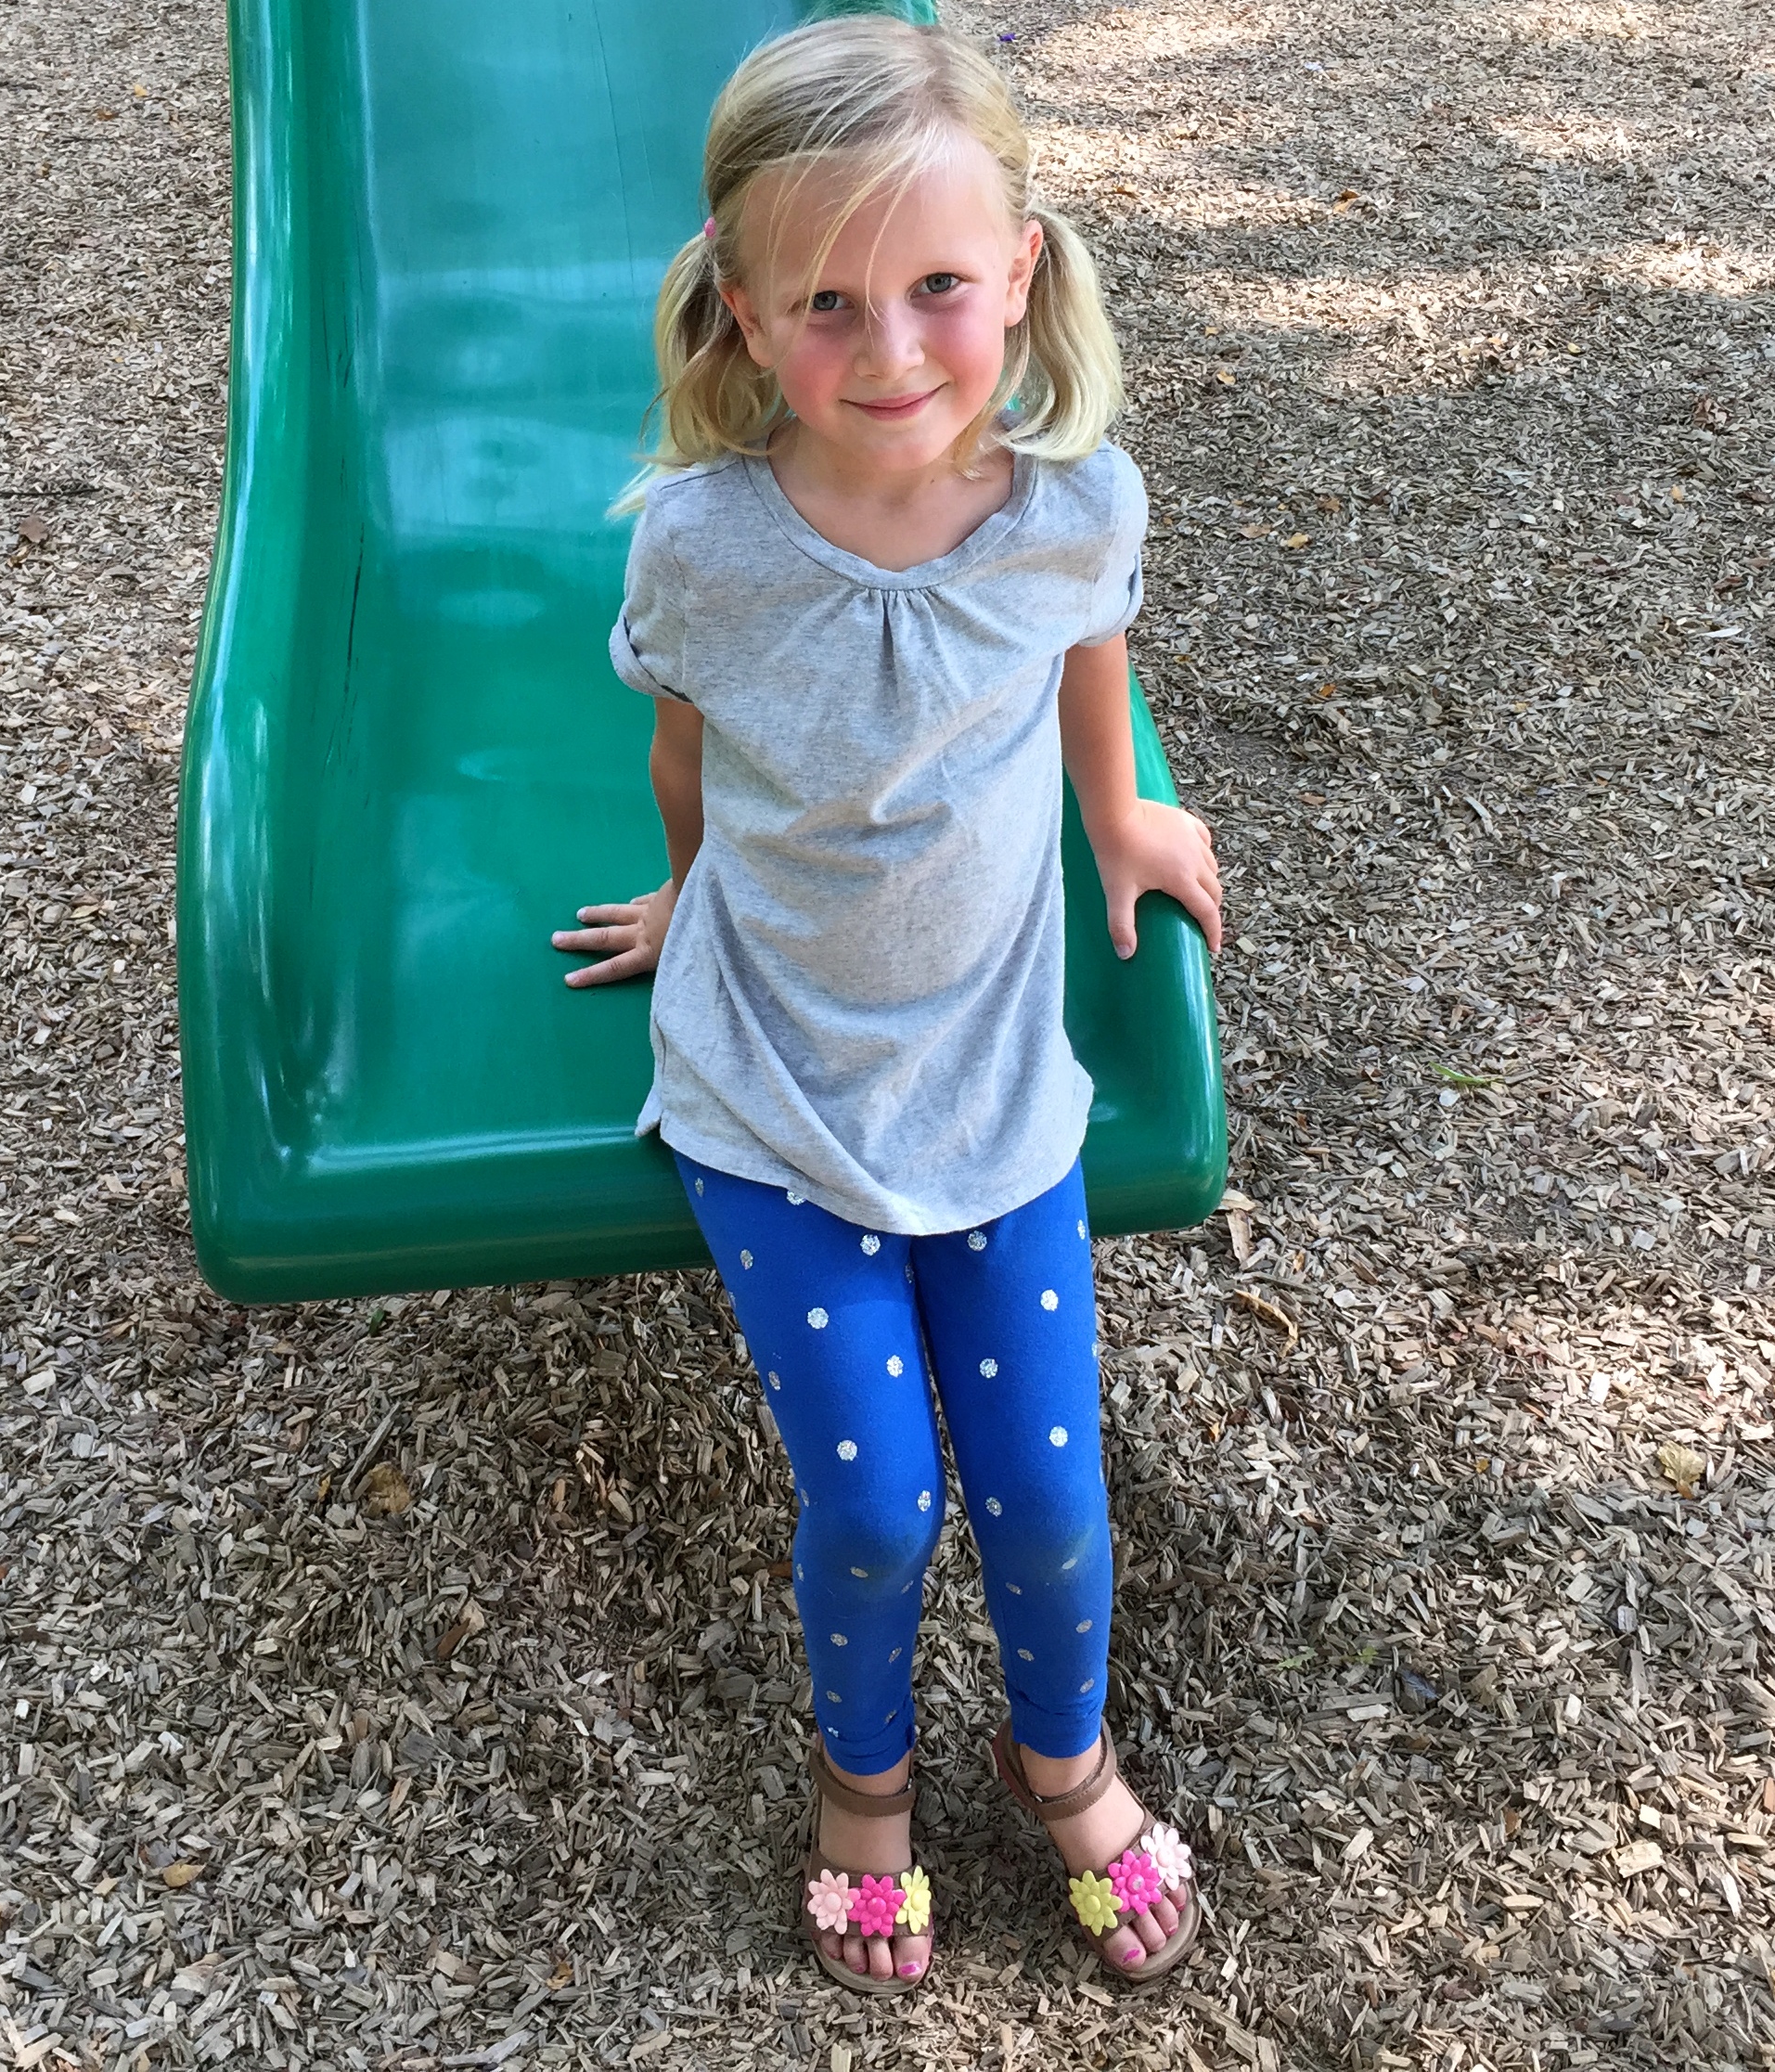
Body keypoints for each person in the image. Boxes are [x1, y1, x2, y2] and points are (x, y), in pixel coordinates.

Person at [549, 13, 1223, 1996]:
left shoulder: (1073, 508)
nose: (895, 348)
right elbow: (686, 750)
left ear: (1018, 272)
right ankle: (864, 1787)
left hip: (992, 1082)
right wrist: (691, 896)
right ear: (746, 314)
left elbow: (1090, 647)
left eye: (937, 285)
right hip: (773, 1089)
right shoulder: (708, 546)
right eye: (829, 303)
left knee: (1048, 1493)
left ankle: (1061, 1760)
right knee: (875, 1501)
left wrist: (1120, 812)